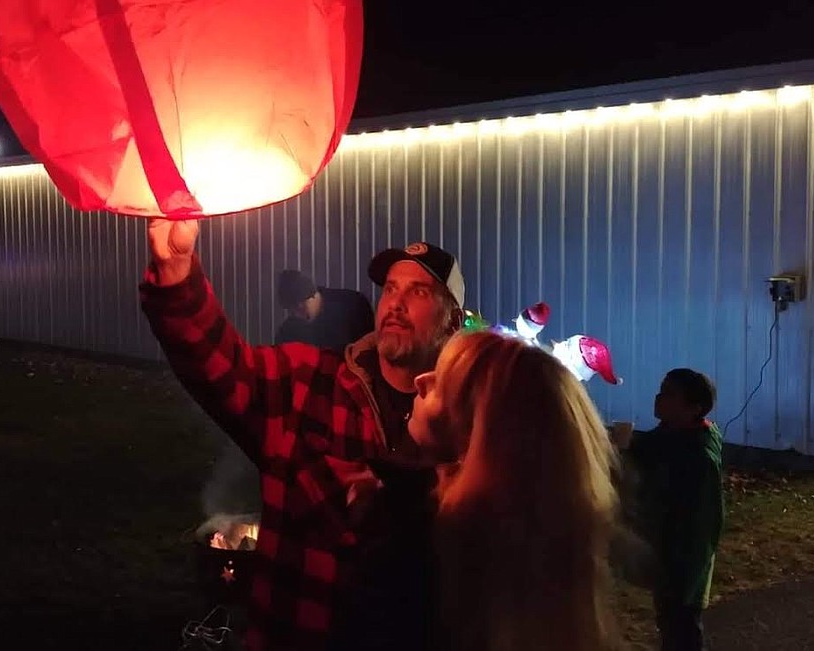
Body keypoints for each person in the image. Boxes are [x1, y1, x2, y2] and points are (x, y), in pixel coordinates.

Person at [140, 219, 464, 651]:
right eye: (390, 288)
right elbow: (220, 366)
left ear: (453, 320)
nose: (396, 303)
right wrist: (177, 272)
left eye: (419, 292)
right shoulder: (310, 383)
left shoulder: (466, 423)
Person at [406, 330, 620, 651]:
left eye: (443, 382)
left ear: (479, 435)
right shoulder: (555, 584)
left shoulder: (418, 550)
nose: (419, 381)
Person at [618, 369, 724, 651]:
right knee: (669, 626)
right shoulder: (671, 434)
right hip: (665, 556)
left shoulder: (699, 460)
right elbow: (649, 449)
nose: (658, 397)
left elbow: (704, 525)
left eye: (669, 394)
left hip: (683, 565)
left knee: (682, 629)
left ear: (694, 408)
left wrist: (687, 581)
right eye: (660, 390)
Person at [274, 269, 375, 352]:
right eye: (292, 311)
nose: (297, 315)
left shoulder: (353, 304)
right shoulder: (288, 331)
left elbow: (371, 347)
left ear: (311, 296)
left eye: (299, 307)